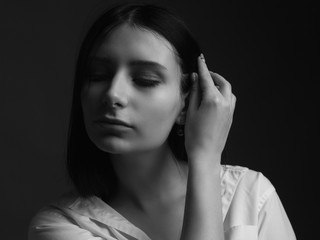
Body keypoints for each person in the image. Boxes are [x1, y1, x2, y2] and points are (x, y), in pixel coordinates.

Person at [28, 2, 296, 240]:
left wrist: (205, 157)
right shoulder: (60, 226)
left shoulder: (250, 196)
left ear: (187, 102)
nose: (112, 94)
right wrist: (205, 157)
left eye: (146, 80)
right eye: (98, 76)